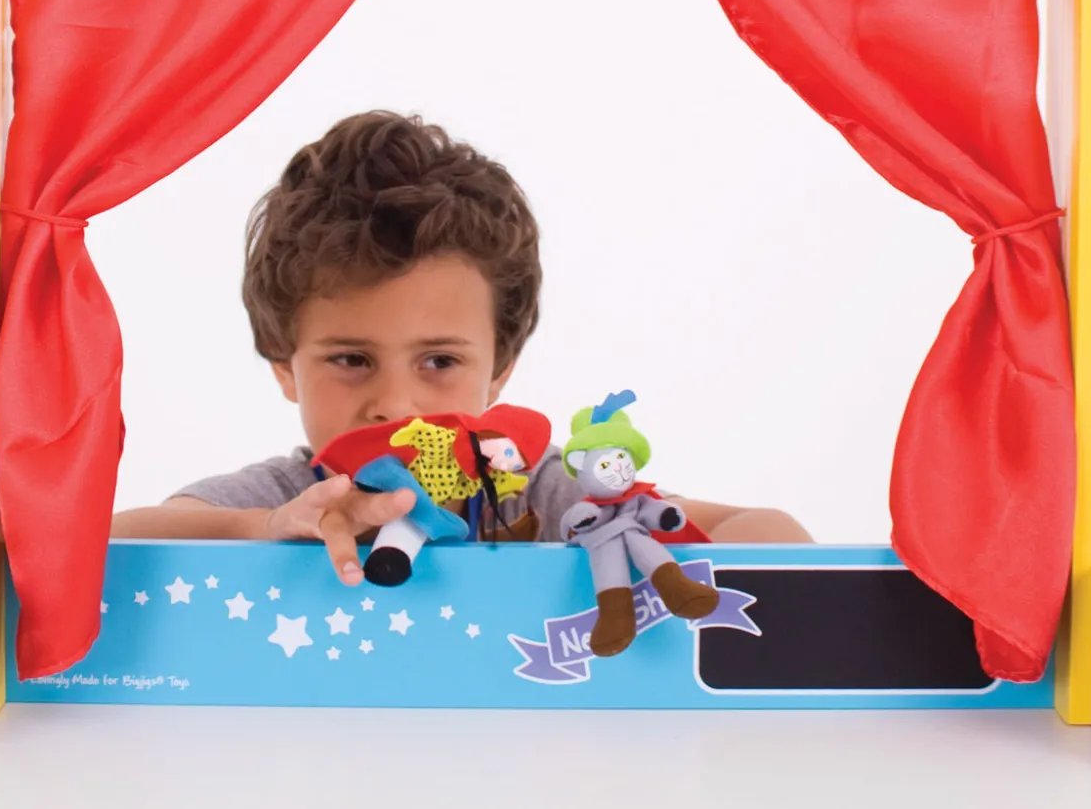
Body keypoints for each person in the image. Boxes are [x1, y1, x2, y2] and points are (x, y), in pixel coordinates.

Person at [110, 111, 811, 583]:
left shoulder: (538, 488)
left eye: (439, 361)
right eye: (351, 359)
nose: (396, 405)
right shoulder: (286, 497)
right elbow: (114, 541)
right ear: (282, 363)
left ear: (500, 368)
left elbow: (766, 530)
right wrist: (265, 528)